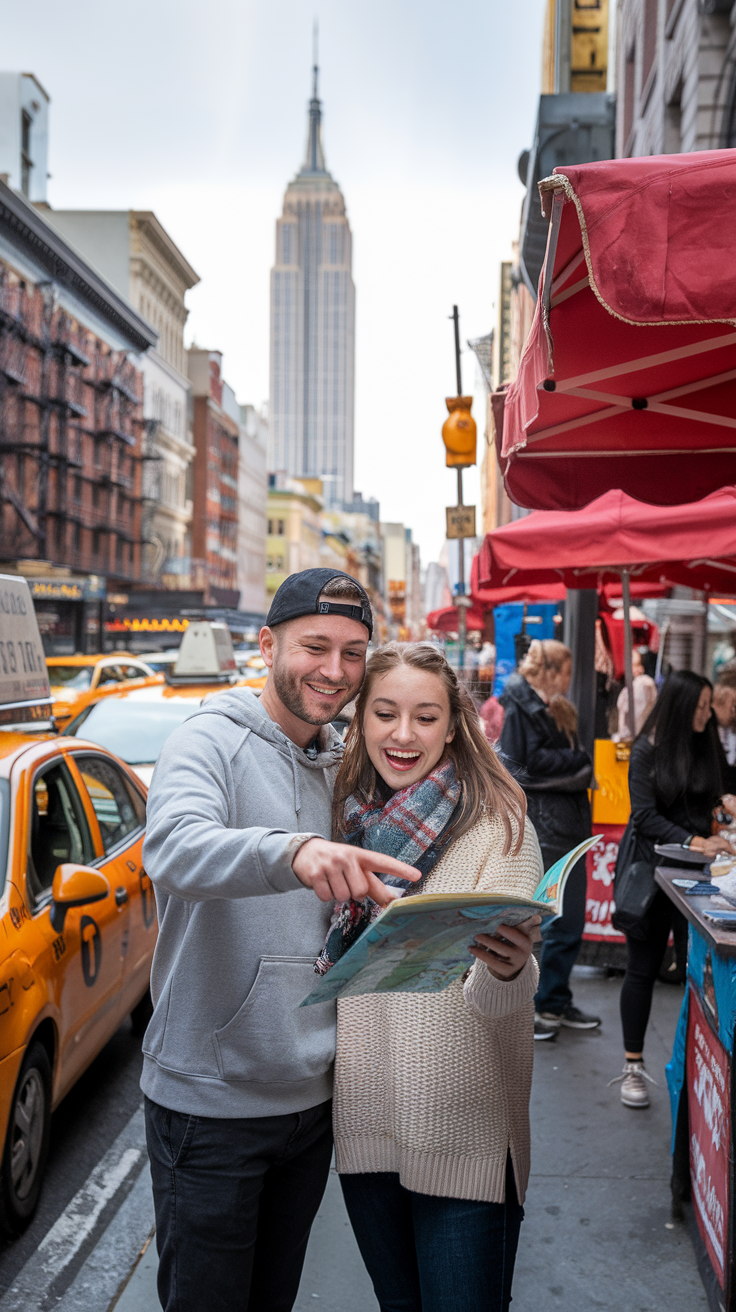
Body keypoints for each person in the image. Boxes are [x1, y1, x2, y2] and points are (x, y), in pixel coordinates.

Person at [140, 569, 420, 1312]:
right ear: (267, 645)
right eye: (315, 647)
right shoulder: (209, 738)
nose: (335, 671)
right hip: (210, 1106)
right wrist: (291, 852)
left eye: (354, 653)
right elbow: (170, 846)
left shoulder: (346, 762)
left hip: (309, 1102)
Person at [329, 642, 543, 1312]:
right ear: (362, 719)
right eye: (386, 713)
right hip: (365, 1130)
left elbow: (502, 997)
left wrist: (509, 967)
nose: (402, 734)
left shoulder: (499, 823)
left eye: (425, 718)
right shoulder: (343, 822)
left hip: (466, 1135)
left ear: (453, 726)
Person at [611, 670, 733, 1109]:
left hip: (699, 878)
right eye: (700, 708)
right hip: (651, 871)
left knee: (695, 973)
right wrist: (697, 840)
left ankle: (694, 1064)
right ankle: (632, 1065)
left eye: (709, 707)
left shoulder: (706, 743)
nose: (707, 714)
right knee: (642, 968)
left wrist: (725, 801)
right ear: (682, 708)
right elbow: (644, 816)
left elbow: (717, 790)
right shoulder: (647, 750)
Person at [499, 639, 599, 1041]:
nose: (571, 680)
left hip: (564, 824)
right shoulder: (522, 707)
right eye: (568, 672)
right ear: (552, 670)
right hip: (551, 825)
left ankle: (554, 1001)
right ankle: (543, 1008)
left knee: (567, 919)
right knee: (560, 920)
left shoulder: (541, 706)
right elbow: (526, 764)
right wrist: (578, 762)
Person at [613, 647, 658, 741]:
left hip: (635, 737)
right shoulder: (639, 685)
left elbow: (637, 716)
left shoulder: (643, 685)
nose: (634, 668)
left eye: (636, 665)